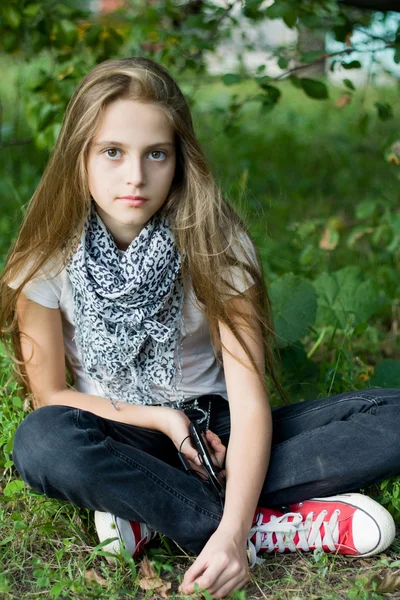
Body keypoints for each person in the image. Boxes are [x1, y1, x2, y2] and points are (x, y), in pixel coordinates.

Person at [0, 56, 398, 599]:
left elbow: (250, 400)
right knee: (42, 444)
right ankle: (260, 524)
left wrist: (220, 494)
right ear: (80, 156)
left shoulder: (216, 246)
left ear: (179, 160)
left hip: (222, 432)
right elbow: (50, 394)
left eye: (155, 154)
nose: (135, 176)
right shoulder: (45, 259)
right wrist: (165, 422)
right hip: (116, 432)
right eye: (112, 152)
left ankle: (153, 511)